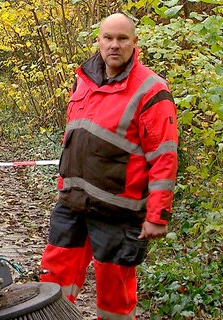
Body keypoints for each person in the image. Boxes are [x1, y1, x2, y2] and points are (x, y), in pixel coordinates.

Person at [39, 13, 178, 320]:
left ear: (134, 43)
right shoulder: (84, 79)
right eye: (108, 38)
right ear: (99, 41)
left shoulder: (151, 89)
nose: (114, 45)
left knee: (115, 296)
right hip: (72, 203)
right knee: (52, 284)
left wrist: (157, 215)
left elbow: (164, 157)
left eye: (122, 38)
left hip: (119, 211)